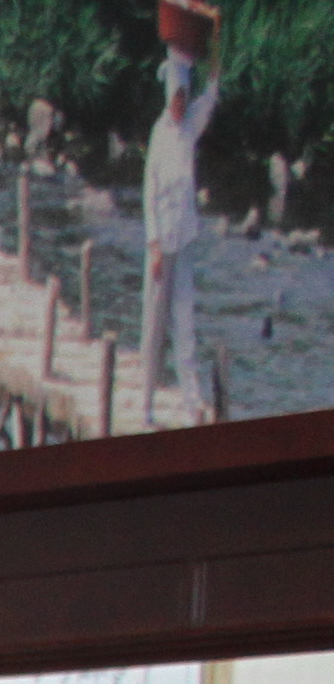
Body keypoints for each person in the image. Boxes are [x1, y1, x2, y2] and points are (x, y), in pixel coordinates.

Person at [145, 34, 224, 408]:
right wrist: (153, 245)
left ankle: (192, 402)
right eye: (175, 99)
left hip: (186, 236)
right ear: (167, 98)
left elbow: (212, 93)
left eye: (183, 98)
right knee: (155, 325)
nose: (179, 105)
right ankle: (146, 401)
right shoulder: (159, 134)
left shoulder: (191, 126)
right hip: (162, 243)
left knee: (185, 319)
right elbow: (149, 193)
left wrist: (216, 46)